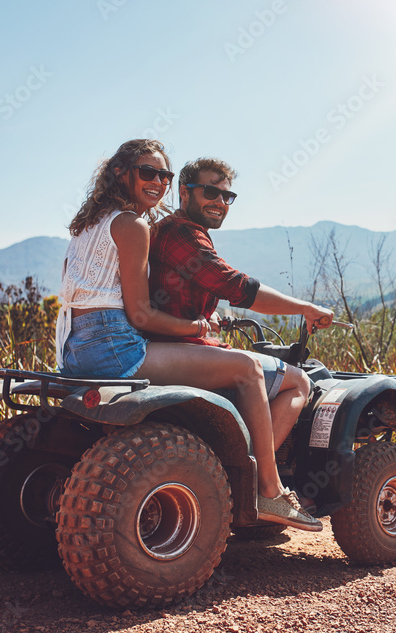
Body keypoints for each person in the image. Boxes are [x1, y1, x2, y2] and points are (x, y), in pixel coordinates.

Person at [55, 139, 322, 531]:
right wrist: (197, 327)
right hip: (115, 348)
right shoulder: (132, 225)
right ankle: (269, 490)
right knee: (247, 368)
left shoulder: (87, 226)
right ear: (120, 173)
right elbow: (142, 314)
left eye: (164, 174)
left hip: (74, 349)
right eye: (148, 172)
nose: (158, 181)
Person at [146, 157, 334, 463]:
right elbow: (238, 288)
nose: (220, 202)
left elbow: (172, 294)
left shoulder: (174, 229)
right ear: (184, 192)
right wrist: (305, 308)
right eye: (210, 192)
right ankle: (257, 476)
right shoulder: (182, 234)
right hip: (183, 348)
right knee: (299, 380)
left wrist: (207, 317)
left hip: (179, 341)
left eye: (227, 196)